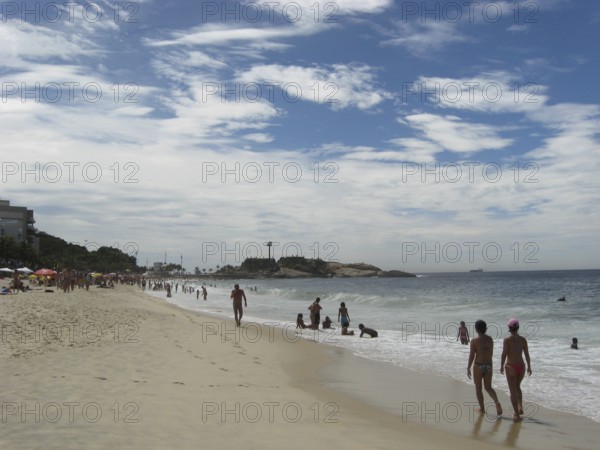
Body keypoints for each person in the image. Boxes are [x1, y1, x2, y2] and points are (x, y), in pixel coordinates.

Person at [467, 320, 502, 416]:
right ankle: (496, 401)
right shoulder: (490, 339)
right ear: (485, 328)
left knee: (478, 388)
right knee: (488, 387)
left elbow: (472, 355)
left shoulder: (474, 341)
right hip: (489, 365)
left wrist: (468, 368)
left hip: (478, 366)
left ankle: (482, 409)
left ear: (476, 329)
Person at [501, 318, 532, 422]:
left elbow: (504, 354)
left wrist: (501, 366)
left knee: (512, 391)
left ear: (509, 328)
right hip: (521, 367)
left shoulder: (507, 340)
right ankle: (520, 407)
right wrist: (529, 366)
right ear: (518, 327)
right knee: (518, 387)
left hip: (511, 366)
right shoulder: (523, 340)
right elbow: (527, 354)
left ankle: (516, 414)